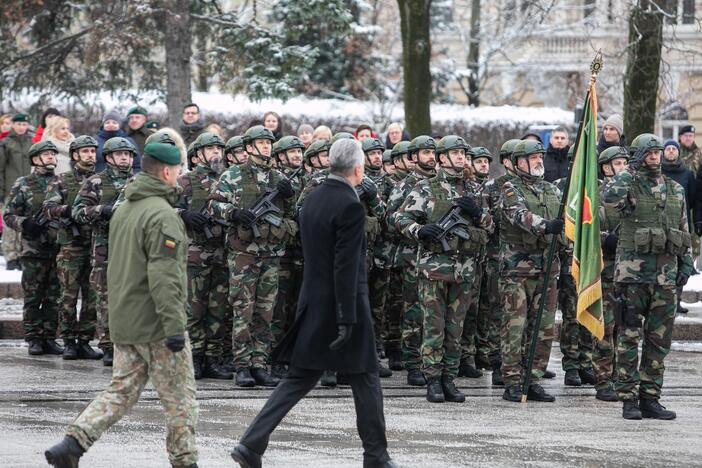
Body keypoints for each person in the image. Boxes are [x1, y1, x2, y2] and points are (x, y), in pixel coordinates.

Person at [230, 138, 395, 468]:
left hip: (314, 303)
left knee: (299, 379)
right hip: (345, 306)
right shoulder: (350, 205)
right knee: (366, 378)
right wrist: (348, 318)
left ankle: (251, 444)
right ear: (358, 168)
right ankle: (375, 455)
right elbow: (346, 267)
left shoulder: (314, 199)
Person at [45, 142, 199, 468]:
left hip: (126, 321)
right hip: (157, 325)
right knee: (181, 402)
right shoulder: (162, 215)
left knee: (121, 392)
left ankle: (72, 443)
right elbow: (164, 276)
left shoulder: (125, 209)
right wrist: (174, 327)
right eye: (179, 171)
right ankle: (186, 462)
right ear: (168, 171)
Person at [396, 135, 493, 403]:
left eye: (463, 153)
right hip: (433, 269)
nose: (461, 157)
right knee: (434, 326)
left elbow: (491, 227)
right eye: (455, 153)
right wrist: (419, 229)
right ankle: (433, 379)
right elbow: (400, 218)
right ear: (442, 158)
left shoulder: (475, 189)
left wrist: (477, 214)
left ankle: (449, 377)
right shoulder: (425, 188)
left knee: (456, 328)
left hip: (464, 270)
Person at [602, 133, 692, 420]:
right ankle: (628, 398)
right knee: (628, 337)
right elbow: (609, 198)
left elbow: (682, 228)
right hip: (632, 276)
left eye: (657, 153)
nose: (655, 157)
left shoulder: (676, 189)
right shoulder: (628, 184)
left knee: (659, 341)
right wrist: (630, 168)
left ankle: (651, 398)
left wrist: (685, 264)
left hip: (665, 276)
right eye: (648, 154)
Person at [209, 125, 296, 388]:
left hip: (271, 253)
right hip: (243, 254)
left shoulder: (278, 177)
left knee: (265, 312)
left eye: (269, 143)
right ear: (249, 148)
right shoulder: (233, 175)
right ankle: (242, 365)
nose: (267, 147)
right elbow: (213, 204)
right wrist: (233, 213)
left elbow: (291, 212)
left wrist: (289, 195)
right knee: (242, 309)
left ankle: (260, 363)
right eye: (261, 143)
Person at [499, 139, 563, 403]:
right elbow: (519, 215)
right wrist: (546, 225)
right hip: (517, 270)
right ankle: (513, 380)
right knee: (515, 326)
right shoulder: (510, 189)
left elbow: (567, 223)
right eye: (532, 158)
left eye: (540, 157)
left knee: (544, 327)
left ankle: (533, 378)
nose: (539, 161)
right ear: (519, 163)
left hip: (547, 268)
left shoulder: (552, 190)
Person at [73, 137, 136, 366]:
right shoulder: (96, 181)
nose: (125, 158)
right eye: (120, 154)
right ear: (109, 157)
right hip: (104, 249)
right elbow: (78, 212)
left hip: (132, 249)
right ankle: (109, 346)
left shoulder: (138, 181)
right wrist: (103, 210)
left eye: (128, 154)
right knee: (106, 299)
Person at [176, 132, 232, 380]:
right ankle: (194, 358)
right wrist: (183, 214)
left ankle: (213, 359)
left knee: (218, 310)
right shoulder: (185, 181)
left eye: (219, 149)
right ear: (197, 154)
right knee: (194, 310)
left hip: (223, 254)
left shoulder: (228, 179)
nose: (216, 153)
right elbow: (159, 207)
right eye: (211, 149)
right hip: (194, 256)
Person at [42, 135, 102, 360]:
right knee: (67, 296)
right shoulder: (61, 181)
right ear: (75, 155)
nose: (89, 155)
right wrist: (69, 211)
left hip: (96, 247)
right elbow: (48, 208)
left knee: (92, 297)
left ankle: (85, 340)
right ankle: (68, 340)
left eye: (92, 151)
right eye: (85, 151)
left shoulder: (100, 180)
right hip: (71, 246)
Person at [3, 140, 62, 356]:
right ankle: (33, 338)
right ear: (35, 158)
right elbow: (9, 215)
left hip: (57, 249)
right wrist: (25, 224)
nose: (50, 158)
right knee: (33, 296)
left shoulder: (61, 182)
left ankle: (49, 337)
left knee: (54, 296)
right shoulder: (24, 183)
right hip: (32, 250)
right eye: (46, 154)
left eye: (52, 154)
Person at [387, 136, 436, 386]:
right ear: (413, 157)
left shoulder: (441, 183)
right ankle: (413, 363)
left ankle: (434, 364)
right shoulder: (405, 185)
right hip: (412, 257)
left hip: (438, 258)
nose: (430, 156)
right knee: (414, 312)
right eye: (425, 152)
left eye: (432, 152)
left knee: (435, 314)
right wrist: (417, 229)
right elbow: (391, 218)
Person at [593, 145, 629, 402]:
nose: (623, 168)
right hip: (605, 269)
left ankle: (623, 376)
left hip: (631, 270)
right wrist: (606, 239)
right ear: (606, 168)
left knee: (628, 327)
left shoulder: (634, 193)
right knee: (606, 326)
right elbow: (584, 231)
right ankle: (604, 378)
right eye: (617, 164)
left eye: (625, 163)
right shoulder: (596, 195)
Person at [0, 113, 33, 271]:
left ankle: (21, 254)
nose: (21, 127)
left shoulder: (30, 142)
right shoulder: (5, 143)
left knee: (24, 223)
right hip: (9, 189)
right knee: (9, 224)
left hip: (27, 190)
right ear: (13, 125)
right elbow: (0, 169)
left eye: (24, 125)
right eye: (18, 124)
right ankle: (11, 256)